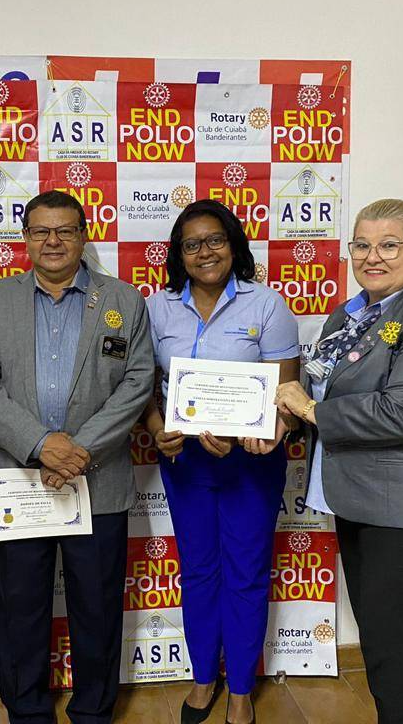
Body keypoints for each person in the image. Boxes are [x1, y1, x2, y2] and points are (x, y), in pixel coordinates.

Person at [275, 199, 403, 724]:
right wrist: (280, 417)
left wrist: (309, 409)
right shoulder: (350, 315)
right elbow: (320, 389)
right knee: (392, 645)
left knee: (390, 649)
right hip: (360, 500)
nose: (373, 257)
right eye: (362, 245)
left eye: (389, 245)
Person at [0, 190, 154, 724]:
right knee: (22, 608)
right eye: (41, 231)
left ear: (83, 236)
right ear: (25, 238)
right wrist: (41, 444)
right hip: (17, 477)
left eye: (65, 230)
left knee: (97, 606)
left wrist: (79, 449)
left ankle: (93, 712)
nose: (53, 241)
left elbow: (138, 382)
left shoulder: (124, 300)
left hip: (98, 477)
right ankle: (27, 713)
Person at [141, 199, 298, 724]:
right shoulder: (157, 308)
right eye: (192, 244)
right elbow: (144, 387)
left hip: (250, 462)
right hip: (186, 462)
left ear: (233, 246)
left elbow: (287, 394)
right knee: (198, 571)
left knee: (247, 574)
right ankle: (204, 677)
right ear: (178, 254)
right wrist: (156, 429)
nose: (205, 252)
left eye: (215, 240)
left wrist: (251, 433)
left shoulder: (267, 305)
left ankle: (242, 689)